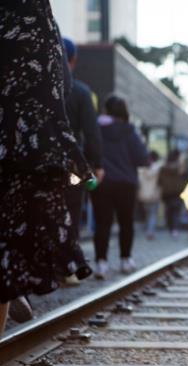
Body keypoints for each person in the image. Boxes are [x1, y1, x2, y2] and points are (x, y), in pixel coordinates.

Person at [0, 0, 93, 335]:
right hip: (24, 148)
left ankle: (11, 282)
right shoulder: (37, 21)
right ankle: (12, 283)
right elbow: (59, 91)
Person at [91, 95, 149, 279]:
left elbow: (90, 151)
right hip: (126, 183)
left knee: (102, 223)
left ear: (106, 110)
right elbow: (142, 158)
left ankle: (101, 263)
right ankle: (125, 259)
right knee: (126, 223)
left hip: (102, 182)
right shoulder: (130, 132)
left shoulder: (97, 129)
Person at [62, 37, 103, 286]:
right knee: (71, 213)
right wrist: (96, 165)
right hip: (71, 166)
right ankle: (67, 268)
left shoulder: (34, 86)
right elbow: (91, 132)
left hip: (34, 164)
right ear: (73, 60)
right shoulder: (80, 91)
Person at [158, 149, 186, 238]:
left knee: (169, 211)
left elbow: (159, 181)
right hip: (177, 192)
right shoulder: (179, 168)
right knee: (176, 211)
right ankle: (175, 229)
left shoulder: (163, 168)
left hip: (166, 193)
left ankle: (170, 228)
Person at [138, 150, 163, 240]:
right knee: (153, 214)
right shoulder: (159, 168)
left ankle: (148, 229)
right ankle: (150, 231)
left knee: (147, 213)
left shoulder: (141, 168)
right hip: (154, 195)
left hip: (143, 195)